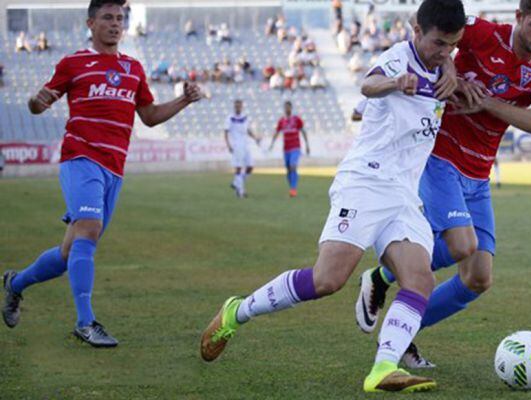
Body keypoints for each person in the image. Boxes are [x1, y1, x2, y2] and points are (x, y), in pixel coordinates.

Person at [199, 0, 466, 392]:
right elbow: (368, 84)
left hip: (403, 196)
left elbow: (370, 106)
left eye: (452, 45)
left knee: (420, 279)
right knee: (327, 280)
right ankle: (236, 312)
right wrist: (396, 84)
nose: (445, 51)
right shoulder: (398, 58)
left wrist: (450, 66)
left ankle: (382, 370)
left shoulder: (443, 66)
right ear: (416, 30)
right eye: (439, 43)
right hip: (365, 183)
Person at [355, 0, 531, 368]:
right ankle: (384, 275)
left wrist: (486, 102)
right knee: (461, 244)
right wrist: (450, 67)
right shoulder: (485, 33)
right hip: (440, 158)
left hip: (479, 173)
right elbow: (422, 20)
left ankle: (401, 328)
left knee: (478, 277)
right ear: (518, 17)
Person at [2, 0, 202, 348]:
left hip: (114, 168)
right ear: (91, 23)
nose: (115, 24)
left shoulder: (134, 68)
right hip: (80, 158)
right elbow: (38, 105)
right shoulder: (73, 63)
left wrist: (183, 101)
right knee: (90, 231)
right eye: (107, 18)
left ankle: (14, 284)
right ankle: (85, 322)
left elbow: (150, 115)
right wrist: (37, 101)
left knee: (69, 255)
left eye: (120, 18)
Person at [268, 101, 309, 197]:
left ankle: (293, 189)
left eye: (289, 107)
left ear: (291, 108)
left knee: (293, 166)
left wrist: (307, 144)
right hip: (286, 149)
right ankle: (292, 186)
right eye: (286, 107)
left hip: (295, 147)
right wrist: (272, 144)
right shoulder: (281, 121)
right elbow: (276, 132)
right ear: (284, 109)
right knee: (288, 169)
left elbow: (303, 131)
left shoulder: (296, 119)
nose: (287, 109)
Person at [224, 100, 259, 198]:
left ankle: (236, 183)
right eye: (236, 106)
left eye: (239, 105)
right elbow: (226, 133)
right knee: (238, 168)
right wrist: (229, 145)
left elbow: (248, 130)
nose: (238, 107)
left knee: (250, 167)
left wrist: (255, 137)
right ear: (234, 107)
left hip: (246, 145)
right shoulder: (230, 118)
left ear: (242, 106)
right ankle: (240, 192)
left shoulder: (245, 117)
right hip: (236, 145)